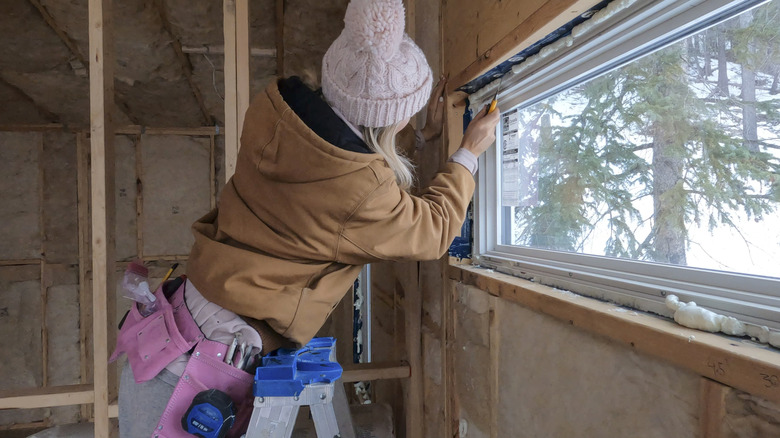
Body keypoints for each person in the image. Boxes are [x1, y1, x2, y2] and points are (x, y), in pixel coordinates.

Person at [118, 0, 499, 435]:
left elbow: (346, 162)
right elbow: (432, 231)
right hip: (206, 361)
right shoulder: (361, 190)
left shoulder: (272, 110)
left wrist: (416, 135)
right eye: (405, 115)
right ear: (388, 121)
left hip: (178, 318)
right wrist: (467, 153)